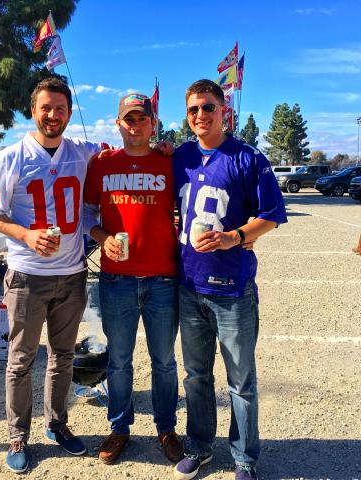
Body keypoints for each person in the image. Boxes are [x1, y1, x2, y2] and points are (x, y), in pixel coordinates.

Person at [0, 78, 111, 474]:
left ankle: (57, 423)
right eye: (46, 108)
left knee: (63, 355)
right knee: (20, 359)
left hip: (71, 274)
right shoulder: (12, 156)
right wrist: (26, 234)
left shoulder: (83, 151)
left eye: (60, 109)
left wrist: (162, 148)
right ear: (32, 110)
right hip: (27, 275)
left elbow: (122, 150)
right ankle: (18, 433)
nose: (53, 116)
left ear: (70, 112)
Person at [172, 80, 287, 480]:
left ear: (225, 111)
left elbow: (271, 215)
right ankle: (201, 445)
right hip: (189, 286)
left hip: (233, 290)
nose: (200, 116)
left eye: (208, 108)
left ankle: (244, 458)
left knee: (240, 381)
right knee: (197, 375)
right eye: (193, 110)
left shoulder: (248, 157)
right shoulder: (180, 156)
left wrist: (235, 237)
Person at [83, 93, 183, 465]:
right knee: (120, 360)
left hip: (162, 278)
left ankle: (166, 428)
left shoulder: (170, 161)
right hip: (117, 280)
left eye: (142, 118)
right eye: (129, 118)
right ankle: (120, 428)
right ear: (118, 123)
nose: (135, 124)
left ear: (153, 123)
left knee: (164, 361)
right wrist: (101, 238)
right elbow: (87, 214)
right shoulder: (103, 163)